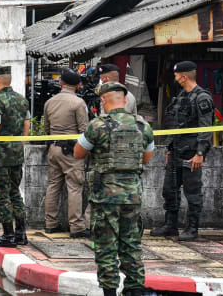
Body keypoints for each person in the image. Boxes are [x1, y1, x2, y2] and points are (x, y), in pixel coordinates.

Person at [74, 82, 154, 296]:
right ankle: (135, 290)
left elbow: (78, 153)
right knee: (132, 245)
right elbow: (147, 158)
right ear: (125, 100)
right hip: (132, 196)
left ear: (103, 101)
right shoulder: (142, 125)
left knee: (106, 247)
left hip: (105, 197)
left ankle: (109, 292)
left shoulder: (97, 125)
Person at [151, 61, 213, 241]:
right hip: (177, 151)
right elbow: (176, 126)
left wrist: (200, 153)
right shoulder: (180, 96)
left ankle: (192, 228)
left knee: (193, 192)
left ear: (184, 76)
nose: (175, 78)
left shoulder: (202, 98)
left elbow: (205, 128)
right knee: (169, 190)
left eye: (177, 75)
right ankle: (170, 225)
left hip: (191, 152)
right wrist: (170, 147)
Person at [0, 65, 30, 248]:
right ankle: (21, 234)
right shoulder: (22, 101)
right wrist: (18, 146)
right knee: (15, 193)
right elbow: (27, 126)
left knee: (1, 195)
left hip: (0, 157)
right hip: (16, 156)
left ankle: (8, 235)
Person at [43, 69, 90, 238]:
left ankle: (51, 224)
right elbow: (85, 130)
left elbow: (47, 128)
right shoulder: (78, 103)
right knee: (75, 187)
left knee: (53, 186)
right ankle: (76, 227)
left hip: (53, 148)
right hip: (72, 151)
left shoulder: (49, 102)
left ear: (61, 83)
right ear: (78, 86)